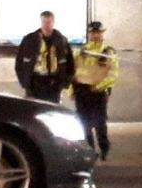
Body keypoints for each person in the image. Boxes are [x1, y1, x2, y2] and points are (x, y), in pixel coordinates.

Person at [72, 21, 119, 161]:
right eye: (92, 32)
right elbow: (73, 72)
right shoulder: (81, 51)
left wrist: (100, 86)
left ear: (102, 33)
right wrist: (71, 90)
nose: (95, 35)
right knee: (84, 122)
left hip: (98, 91)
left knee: (100, 122)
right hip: (82, 91)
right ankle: (89, 150)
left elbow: (113, 73)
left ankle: (104, 147)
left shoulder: (108, 51)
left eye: (97, 32)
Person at [15, 11, 74, 103]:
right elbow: (19, 63)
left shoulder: (62, 41)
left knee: (52, 112)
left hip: (53, 83)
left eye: (49, 22)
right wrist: (25, 82)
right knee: (32, 111)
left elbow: (70, 64)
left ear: (53, 22)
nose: (46, 25)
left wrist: (64, 83)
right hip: (34, 83)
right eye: (44, 22)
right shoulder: (29, 40)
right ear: (41, 22)